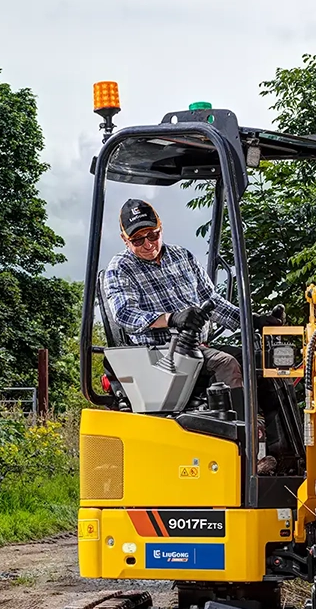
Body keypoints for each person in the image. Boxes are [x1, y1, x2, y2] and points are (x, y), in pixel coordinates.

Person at [103, 199, 283, 471]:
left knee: (264, 362)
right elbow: (125, 313)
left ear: (161, 227)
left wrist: (253, 320)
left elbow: (213, 303)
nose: (148, 244)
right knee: (226, 364)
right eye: (138, 240)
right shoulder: (120, 268)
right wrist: (170, 319)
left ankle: (280, 451)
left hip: (197, 347)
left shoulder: (182, 257)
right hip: (161, 355)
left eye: (153, 234)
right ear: (124, 239)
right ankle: (245, 457)